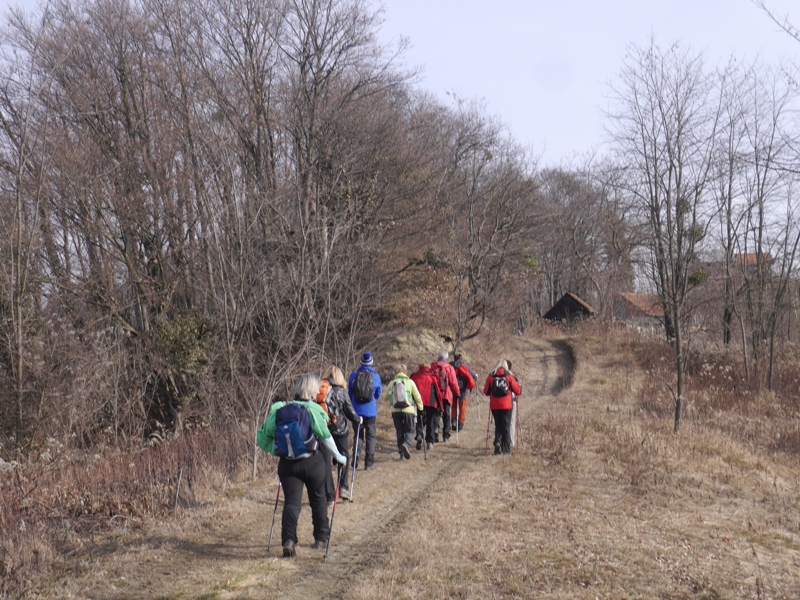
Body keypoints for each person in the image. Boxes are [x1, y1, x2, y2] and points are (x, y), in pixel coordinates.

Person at [256, 373, 347, 558]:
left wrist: (276, 450)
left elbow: (262, 437)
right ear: (312, 391)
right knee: (318, 498)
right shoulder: (313, 409)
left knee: (291, 502)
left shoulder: (280, 409)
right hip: (312, 462)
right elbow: (325, 437)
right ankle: (321, 538)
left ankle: (289, 541)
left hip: (288, 465)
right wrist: (339, 457)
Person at [318, 366, 362, 502]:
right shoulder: (341, 392)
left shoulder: (319, 390)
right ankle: (343, 487)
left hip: (324, 430)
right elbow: (350, 412)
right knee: (343, 456)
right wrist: (358, 419)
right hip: (340, 430)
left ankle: (329, 495)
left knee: (325, 462)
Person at [348, 352, 382, 470]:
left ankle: (356, 456)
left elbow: (349, 393)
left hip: (356, 411)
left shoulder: (353, 375)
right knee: (371, 436)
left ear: (361, 362)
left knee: (358, 435)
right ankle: (369, 463)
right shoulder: (375, 376)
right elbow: (378, 394)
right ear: (371, 363)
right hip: (370, 411)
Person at [383, 363, 423, 459]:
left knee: (399, 431)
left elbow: (385, 397)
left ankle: (401, 454)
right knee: (410, 430)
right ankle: (406, 444)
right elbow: (417, 396)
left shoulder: (392, 383)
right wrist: (421, 408)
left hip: (395, 411)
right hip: (408, 410)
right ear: (405, 372)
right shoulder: (410, 382)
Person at [483, 360, 522, 455]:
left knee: (498, 425)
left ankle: (497, 442)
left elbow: (485, 391)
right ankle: (506, 449)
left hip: (495, 406)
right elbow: (517, 391)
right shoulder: (509, 376)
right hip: (506, 405)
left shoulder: (491, 376)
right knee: (506, 426)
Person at [410, 362, 441, 450]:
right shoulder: (431, 377)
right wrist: (439, 405)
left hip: (417, 402)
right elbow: (437, 392)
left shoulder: (414, 377)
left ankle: (419, 435)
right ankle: (429, 442)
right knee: (430, 421)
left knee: (419, 420)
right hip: (430, 402)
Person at [430, 351, 460, 442]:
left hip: (435, 394)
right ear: (446, 359)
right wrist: (457, 393)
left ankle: (435, 429)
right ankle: (446, 436)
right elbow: (453, 382)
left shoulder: (432, 366)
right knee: (446, 414)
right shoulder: (449, 368)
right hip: (446, 394)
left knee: (435, 413)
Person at [450, 353, 477, 432]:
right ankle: (460, 424)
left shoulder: (450, 366)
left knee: (454, 406)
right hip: (463, 390)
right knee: (462, 407)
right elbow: (473, 376)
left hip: (453, 389)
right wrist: (475, 376)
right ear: (461, 359)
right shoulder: (464, 366)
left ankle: (453, 421)